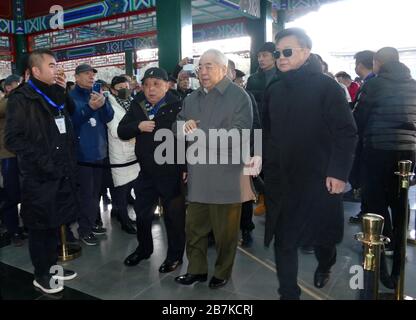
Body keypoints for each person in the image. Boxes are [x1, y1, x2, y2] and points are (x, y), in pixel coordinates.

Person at [263, 28, 357, 299]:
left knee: (322, 236)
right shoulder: (274, 89)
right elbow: (267, 132)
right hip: (282, 179)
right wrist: (261, 160)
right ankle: (288, 293)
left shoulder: (327, 87)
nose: (281, 57)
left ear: (305, 51)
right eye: (277, 53)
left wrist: (339, 173)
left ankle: (326, 262)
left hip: (319, 177)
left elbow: (346, 132)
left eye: (287, 52)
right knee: (284, 239)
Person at [174, 49, 255, 289]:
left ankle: (222, 271)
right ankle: (197, 270)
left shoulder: (239, 97)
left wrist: (199, 134)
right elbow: (177, 124)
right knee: (195, 229)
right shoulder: (191, 98)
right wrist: (183, 126)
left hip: (227, 175)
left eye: (209, 66)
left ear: (223, 68)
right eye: (200, 67)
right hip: (199, 175)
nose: (203, 71)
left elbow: (240, 134)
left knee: (225, 233)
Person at [4, 49, 79, 294]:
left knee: (54, 222)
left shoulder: (53, 92)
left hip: (61, 171)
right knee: (40, 226)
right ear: (35, 70)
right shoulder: (21, 98)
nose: (56, 69)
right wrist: (44, 161)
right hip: (39, 175)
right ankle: (41, 274)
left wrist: (63, 89)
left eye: (56, 64)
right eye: (51, 65)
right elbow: (13, 139)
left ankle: (53, 267)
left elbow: (70, 113)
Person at [354, 47, 416, 289]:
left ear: (377, 63)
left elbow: (358, 118)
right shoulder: (414, 84)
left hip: (378, 149)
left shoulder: (374, 85)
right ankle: (397, 254)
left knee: (375, 201)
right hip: (408, 152)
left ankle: (376, 248)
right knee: (400, 201)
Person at [118, 67, 186, 273]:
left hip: (171, 172)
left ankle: (175, 256)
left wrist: (185, 167)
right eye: (147, 85)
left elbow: (187, 139)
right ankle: (144, 248)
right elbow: (122, 130)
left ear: (167, 85)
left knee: (174, 218)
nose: (151, 89)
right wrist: (138, 126)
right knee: (142, 214)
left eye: (156, 84)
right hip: (146, 172)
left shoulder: (179, 106)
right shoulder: (137, 105)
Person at [69, 64, 114, 246]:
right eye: (86, 74)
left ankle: (92, 223)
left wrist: (102, 105)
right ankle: (84, 229)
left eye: (92, 74)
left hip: (99, 152)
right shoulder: (71, 98)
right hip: (83, 155)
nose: (91, 77)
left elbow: (108, 117)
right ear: (77, 77)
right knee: (86, 194)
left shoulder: (97, 94)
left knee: (96, 192)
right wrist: (89, 108)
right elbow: (71, 122)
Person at [246, 42, 279, 216]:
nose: (261, 59)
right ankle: (264, 199)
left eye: (265, 55)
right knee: (257, 166)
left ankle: (276, 201)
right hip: (258, 128)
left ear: (274, 56)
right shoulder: (253, 79)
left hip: (277, 128)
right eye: (259, 56)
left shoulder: (282, 76)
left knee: (275, 166)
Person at [106, 76, 138, 234]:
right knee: (121, 188)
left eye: (126, 86)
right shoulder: (110, 106)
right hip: (119, 152)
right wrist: (136, 128)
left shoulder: (133, 103)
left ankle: (124, 215)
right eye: (120, 88)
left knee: (130, 186)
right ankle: (124, 220)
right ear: (113, 90)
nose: (124, 90)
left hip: (134, 152)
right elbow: (115, 130)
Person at [0, 75, 23, 246]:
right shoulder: (5, 103)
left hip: (24, 154)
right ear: (8, 88)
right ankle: (12, 229)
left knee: (26, 192)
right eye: (18, 85)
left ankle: (25, 226)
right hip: (7, 155)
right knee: (11, 194)